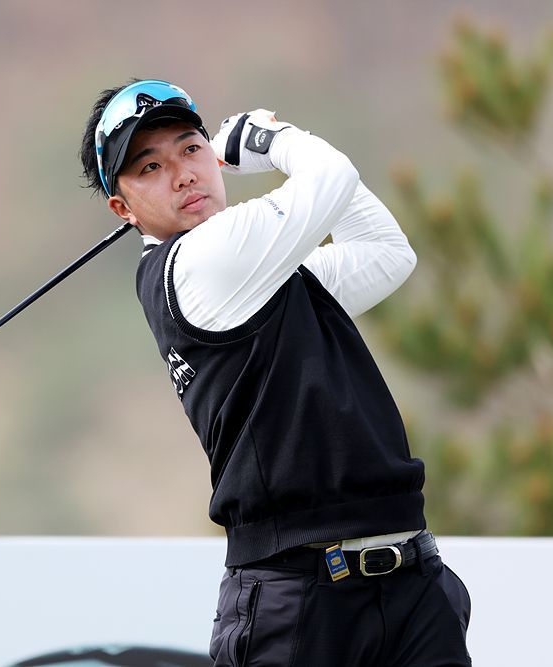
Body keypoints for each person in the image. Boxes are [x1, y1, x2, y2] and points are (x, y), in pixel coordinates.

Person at [78, 79, 472, 666]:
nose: (183, 174)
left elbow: (387, 252)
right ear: (123, 208)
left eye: (191, 149)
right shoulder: (202, 261)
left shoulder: (260, 274)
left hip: (408, 585)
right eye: (150, 166)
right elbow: (331, 177)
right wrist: (270, 139)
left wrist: (279, 151)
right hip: (300, 600)